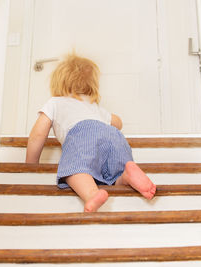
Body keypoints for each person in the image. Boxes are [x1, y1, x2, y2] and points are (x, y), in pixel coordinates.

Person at [25, 53, 156, 212]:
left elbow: (37, 135)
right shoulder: (94, 107)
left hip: (83, 134)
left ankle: (92, 194)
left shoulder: (55, 102)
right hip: (114, 137)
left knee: (75, 169)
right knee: (112, 175)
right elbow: (118, 123)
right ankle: (126, 175)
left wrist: (30, 167)